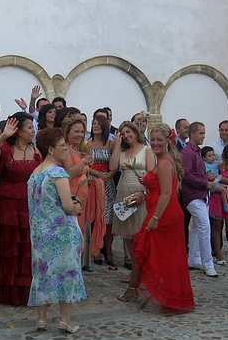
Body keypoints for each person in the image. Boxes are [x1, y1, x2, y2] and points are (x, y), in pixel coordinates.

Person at [119, 123, 195, 312]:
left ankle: (145, 291)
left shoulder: (164, 163)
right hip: (161, 212)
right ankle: (134, 289)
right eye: (152, 139)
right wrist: (145, 194)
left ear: (168, 141)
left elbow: (167, 193)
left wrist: (155, 218)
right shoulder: (166, 161)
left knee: (150, 252)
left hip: (163, 215)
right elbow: (163, 189)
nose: (154, 143)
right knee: (145, 250)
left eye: (159, 140)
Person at [0, 112, 42, 305]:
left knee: (26, 248)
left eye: (33, 127)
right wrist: (4, 135)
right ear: (19, 131)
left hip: (30, 205)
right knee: (8, 248)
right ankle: (4, 289)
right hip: (7, 206)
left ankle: (28, 288)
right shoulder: (5, 148)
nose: (33, 131)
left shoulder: (36, 151)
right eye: (29, 127)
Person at [27, 127, 86, 333]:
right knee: (65, 274)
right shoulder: (57, 172)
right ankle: (65, 319)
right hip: (61, 233)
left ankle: (41, 318)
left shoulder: (35, 173)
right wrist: (77, 207)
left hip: (40, 233)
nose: (66, 150)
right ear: (50, 149)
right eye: (62, 146)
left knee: (42, 273)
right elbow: (68, 207)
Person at [111, 121, 156, 281]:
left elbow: (151, 175)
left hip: (140, 192)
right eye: (123, 133)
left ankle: (145, 270)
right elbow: (113, 167)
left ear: (135, 132)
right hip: (124, 191)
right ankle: (135, 270)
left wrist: (144, 193)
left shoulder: (147, 150)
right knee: (128, 236)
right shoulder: (122, 150)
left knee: (140, 234)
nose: (127, 135)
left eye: (128, 132)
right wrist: (116, 146)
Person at [180, 122, 218, 277]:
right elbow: (187, 175)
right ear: (192, 134)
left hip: (200, 194)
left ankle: (194, 258)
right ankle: (208, 263)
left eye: (204, 133)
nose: (203, 136)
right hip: (193, 195)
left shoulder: (196, 152)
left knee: (197, 228)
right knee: (204, 227)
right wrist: (205, 183)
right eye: (201, 133)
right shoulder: (188, 153)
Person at [61, 114, 98, 271]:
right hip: (71, 195)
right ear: (67, 133)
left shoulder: (79, 151)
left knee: (81, 232)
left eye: (82, 132)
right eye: (76, 131)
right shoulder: (66, 150)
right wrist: (85, 160)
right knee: (72, 233)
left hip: (83, 196)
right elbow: (69, 172)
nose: (80, 135)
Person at [87, 113, 118, 267]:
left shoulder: (111, 144)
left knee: (108, 217)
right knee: (95, 215)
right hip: (93, 181)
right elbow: (86, 165)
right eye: (93, 123)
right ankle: (96, 250)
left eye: (99, 123)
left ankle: (109, 249)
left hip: (107, 182)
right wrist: (99, 175)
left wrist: (108, 176)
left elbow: (114, 166)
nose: (96, 126)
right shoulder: (88, 143)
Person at [201, 146, 228, 214]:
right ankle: (225, 205)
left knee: (225, 191)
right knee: (223, 190)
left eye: (213, 155)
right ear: (204, 158)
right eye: (209, 156)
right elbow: (210, 176)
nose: (212, 157)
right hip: (212, 184)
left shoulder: (215, 164)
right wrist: (218, 176)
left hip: (217, 182)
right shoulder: (205, 165)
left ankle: (226, 203)